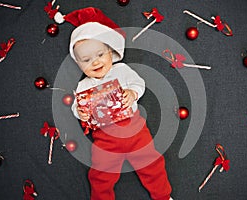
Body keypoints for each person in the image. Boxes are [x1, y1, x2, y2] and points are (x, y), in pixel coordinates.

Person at [69, 7, 173, 200]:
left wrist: (132, 94)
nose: (95, 62)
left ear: (110, 51)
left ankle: (163, 196)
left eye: (100, 54)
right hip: (105, 138)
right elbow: (77, 105)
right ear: (79, 64)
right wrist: (80, 112)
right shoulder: (84, 85)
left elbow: (138, 83)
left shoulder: (121, 70)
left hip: (134, 129)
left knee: (152, 163)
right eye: (86, 59)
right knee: (100, 175)